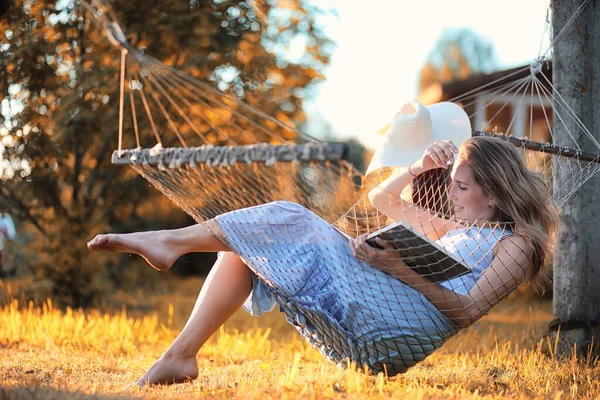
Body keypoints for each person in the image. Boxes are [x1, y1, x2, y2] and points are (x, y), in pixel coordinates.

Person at [87, 101, 559, 385]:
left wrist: (398, 269)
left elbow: (468, 311)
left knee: (289, 216)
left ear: (493, 193)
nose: (449, 197)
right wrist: (417, 168)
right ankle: (180, 357)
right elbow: (381, 198)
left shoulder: (514, 245)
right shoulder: (457, 232)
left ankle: (169, 242)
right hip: (371, 307)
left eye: (460, 186)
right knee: (247, 248)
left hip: (393, 331)